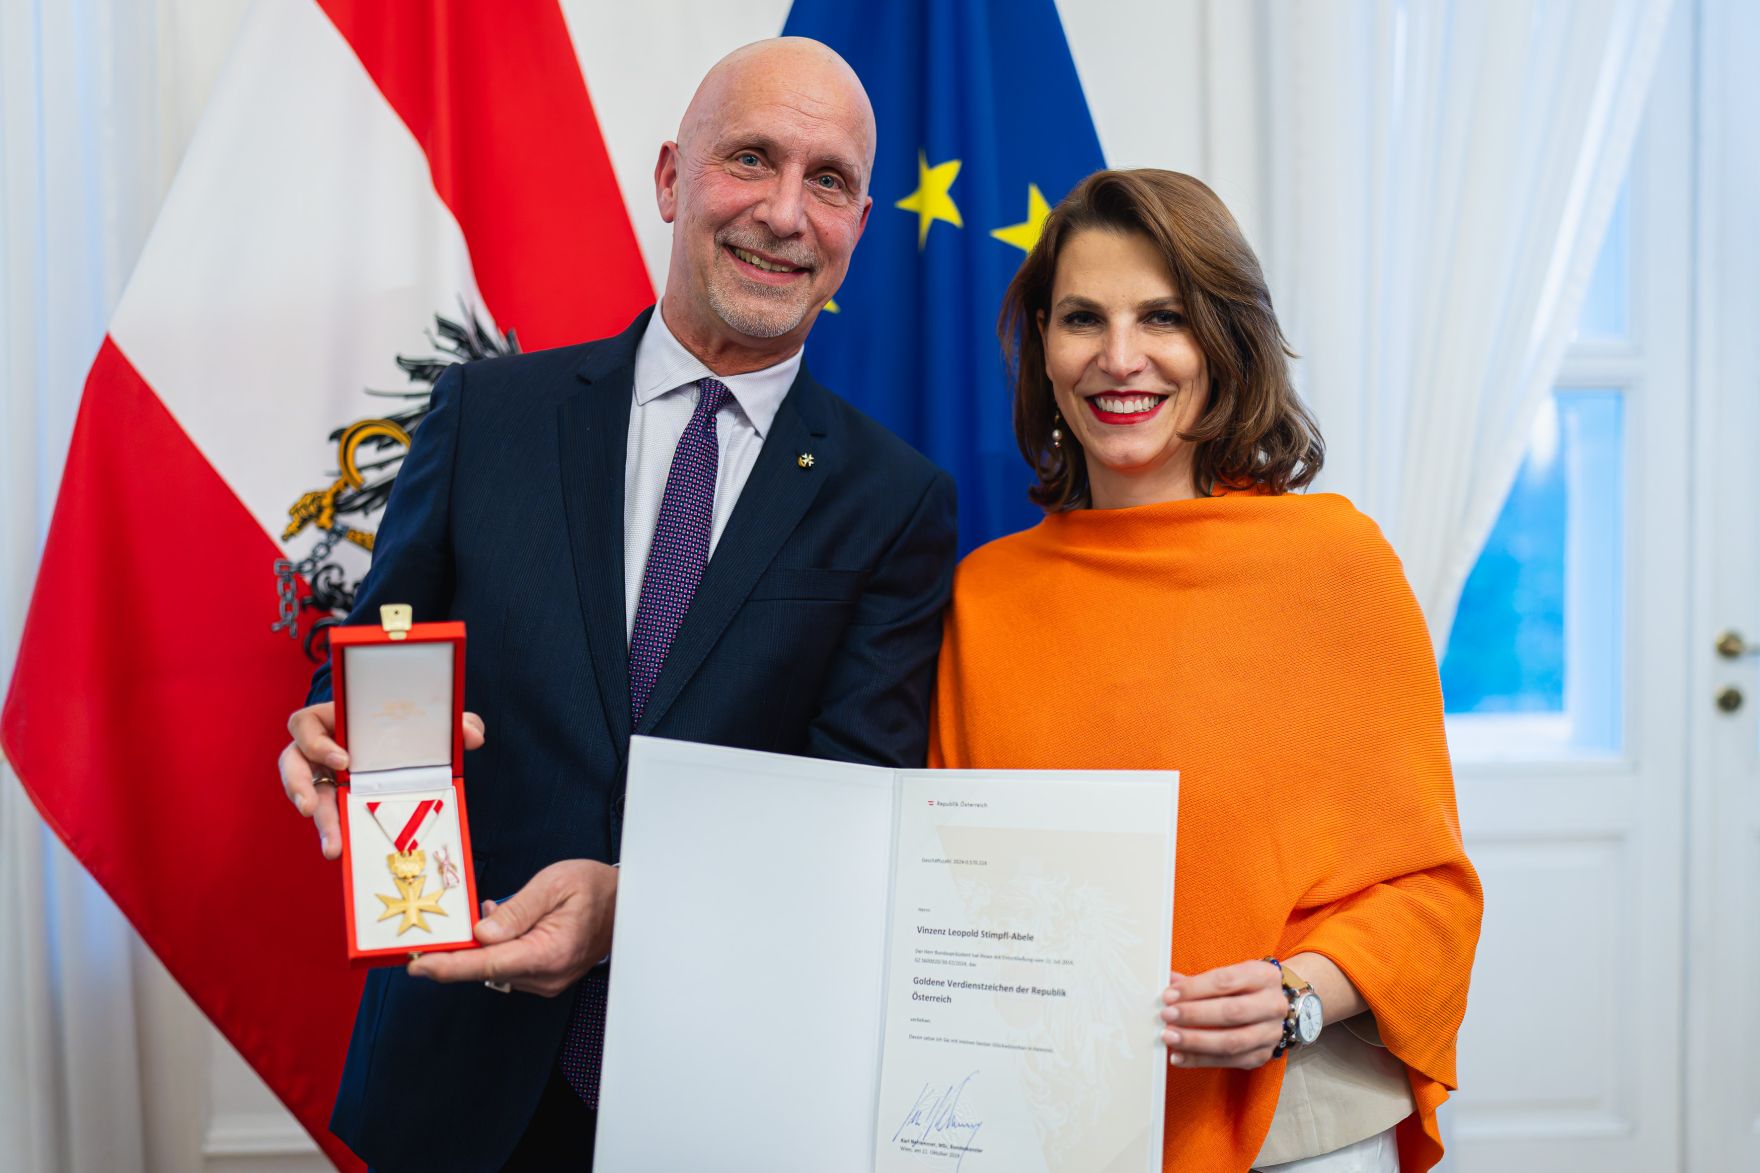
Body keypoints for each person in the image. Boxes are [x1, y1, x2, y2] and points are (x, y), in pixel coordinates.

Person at [277, 38, 957, 1171]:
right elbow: (377, 656)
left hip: (724, 1092)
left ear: (856, 226)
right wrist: (328, 723)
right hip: (458, 1068)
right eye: (749, 159)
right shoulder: (486, 415)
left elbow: (849, 818)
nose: (785, 214)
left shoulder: (893, 502)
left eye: (828, 181)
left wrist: (629, 908)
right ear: (669, 180)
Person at [930, 169, 1482, 1173]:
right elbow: (951, 891)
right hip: (1036, 1126)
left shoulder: (1335, 566)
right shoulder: (983, 599)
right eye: (1081, 318)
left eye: (1162, 318)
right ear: (1042, 351)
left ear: (1222, 346)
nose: (1119, 357)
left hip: (1290, 1127)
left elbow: (1430, 893)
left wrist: (1298, 994)